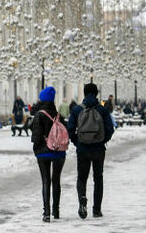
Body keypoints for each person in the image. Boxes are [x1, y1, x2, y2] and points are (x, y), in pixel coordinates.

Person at [68, 82, 115, 219]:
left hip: (82, 148)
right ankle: (96, 209)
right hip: (98, 149)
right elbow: (110, 129)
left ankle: (82, 198)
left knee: (82, 178)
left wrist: (77, 142)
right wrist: (102, 140)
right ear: (96, 94)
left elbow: (70, 129)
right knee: (98, 178)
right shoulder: (102, 110)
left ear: (84, 93)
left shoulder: (77, 110)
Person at [32, 86, 66, 222]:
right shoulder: (58, 115)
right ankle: (56, 210)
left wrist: (37, 148)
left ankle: (46, 213)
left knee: (46, 181)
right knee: (56, 180)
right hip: (58, 152)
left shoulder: (39, 114)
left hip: (43, 153)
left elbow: (36, 137)